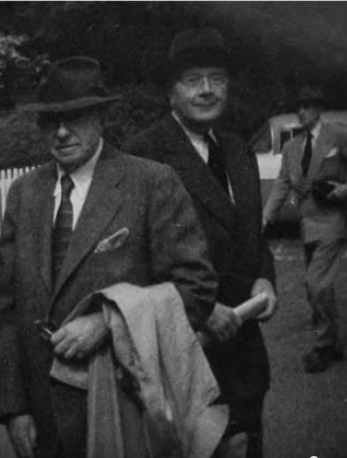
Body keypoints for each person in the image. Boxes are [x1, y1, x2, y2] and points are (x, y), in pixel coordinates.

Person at [0, 56, 222, 458]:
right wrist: (14, 409)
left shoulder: (150, 182)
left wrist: (108, 322)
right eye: (50, 120)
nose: (61, 132)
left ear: (100, 117)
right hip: (42, 418)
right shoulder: (24, 193)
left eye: (75, 117)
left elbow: (197, 290)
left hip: (121, 410)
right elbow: (7, 309)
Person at [122, 28, 278, 458]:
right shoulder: (143, 156)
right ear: (171, 93)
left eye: (217, 78)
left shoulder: (237, 149)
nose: (207, 90)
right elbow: (131, 263)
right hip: (187, 361)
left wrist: (265, 279)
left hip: (245, 362)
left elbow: (251, 237)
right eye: (193, 80)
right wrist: (200, 310)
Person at [263, 87, 347, 373]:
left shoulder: (337, 135)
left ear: (319, 109)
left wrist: (344, 191)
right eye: (298, 107)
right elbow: (282, 184)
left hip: (333, 222)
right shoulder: (291, 147)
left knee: (317, 284)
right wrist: (265, 217)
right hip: (307, 225)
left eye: (308, 106)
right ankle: (333, 342)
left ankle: (322, 345)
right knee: (318, 288)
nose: (301, 112)